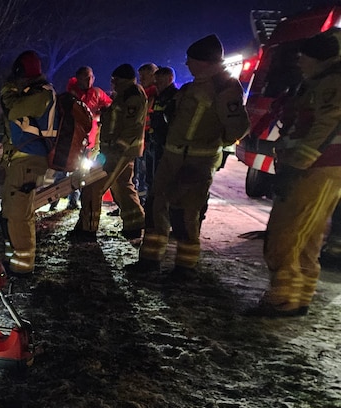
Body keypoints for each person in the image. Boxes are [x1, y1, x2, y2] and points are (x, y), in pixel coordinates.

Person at [127, 35, 248, 281]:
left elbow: (238, 127)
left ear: (204, 61)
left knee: (185, 214)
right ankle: (150, 259)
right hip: (172, 156)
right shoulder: (193, 86)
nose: (187, 64)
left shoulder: (225, 88)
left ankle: (185, 268)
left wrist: (212, 143)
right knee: (156, 206)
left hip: (197, 161)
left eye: (190, 60)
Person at [248, 31, 341, 316]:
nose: (299, 62)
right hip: (315, 169)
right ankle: (298, 296)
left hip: (313, 170)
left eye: (303, 57)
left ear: (318, 58)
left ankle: (283, 299)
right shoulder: (318, 82)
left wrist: (296, 165)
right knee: (306, 236)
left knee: (285, 234)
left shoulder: (332, 83)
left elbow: (327, 126)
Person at [70, 64, 147, 241]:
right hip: (117, 149)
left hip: (119, 151)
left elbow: (132, 126)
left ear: (124, 80)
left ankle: (87, 230)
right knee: (122, 186)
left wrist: (117, 149)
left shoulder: (132, 96)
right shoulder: (124, 95)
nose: (113, 84)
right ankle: (135, 224)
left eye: (115, 80)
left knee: (93, 186)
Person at [0, 50, 55, 277]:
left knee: (19, 213)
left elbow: (13, 110)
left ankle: (22, 267)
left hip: (30, 160)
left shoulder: (41, 94)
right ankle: (14, 260)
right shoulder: (33, 93)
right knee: (10, 211)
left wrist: (7, 91)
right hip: (22, 160)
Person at [49, 66, 111, 211]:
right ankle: (53, 198)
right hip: (68, 140)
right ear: (78, 78)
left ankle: (73, 201)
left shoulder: (97, 93)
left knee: (81, 170)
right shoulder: (70, 95)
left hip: (87, 142)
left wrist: (99, 115)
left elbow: (109, 107)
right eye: (85, 77)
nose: (89, 80)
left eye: (91, 77)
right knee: (62, 169)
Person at [135, 63, 159, 196]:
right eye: (140, 76)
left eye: (144, 76)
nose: (141, 79)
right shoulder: (142, 92)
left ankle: (144, 198)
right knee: (139, 169)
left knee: (146, 170)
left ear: (153, 75)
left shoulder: (155, 92)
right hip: (141, 134)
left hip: (150, 136)